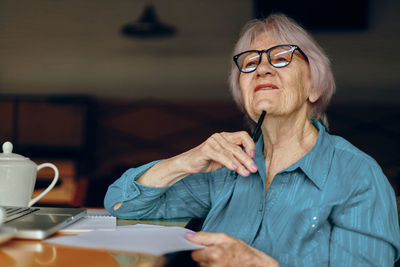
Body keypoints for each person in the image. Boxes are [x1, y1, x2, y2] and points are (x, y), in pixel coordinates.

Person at [104, 13, 400, 266]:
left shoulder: (359, 176)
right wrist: (186, 160)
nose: (262, 68)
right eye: (249, 62)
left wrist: (259, 264)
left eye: (282, 58)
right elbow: (120, 205)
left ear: (314, 87)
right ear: (243, 93)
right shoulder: (226, 169)